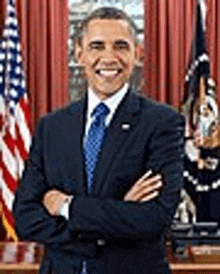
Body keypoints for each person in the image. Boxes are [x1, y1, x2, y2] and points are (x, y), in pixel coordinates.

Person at [13, 7, 185, 274]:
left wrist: (66, 206)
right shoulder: (52, 127)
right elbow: (25, 218)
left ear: (136, 54)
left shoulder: (163, 123)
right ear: (79, 54)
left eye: (120, 46)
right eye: (96, 46)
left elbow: (154, 219)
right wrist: (116, 215)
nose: (108, 57)